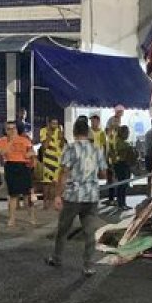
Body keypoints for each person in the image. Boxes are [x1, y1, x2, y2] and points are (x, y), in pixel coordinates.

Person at [46, 117, 107, 276]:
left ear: (74, 132)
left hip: (73, 196)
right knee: (89, 232)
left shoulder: (70, 149)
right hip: (91, 196)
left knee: (63, 229)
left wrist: (58, 195)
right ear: (87, 132)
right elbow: (103, 173)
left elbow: (63, 173)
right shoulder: (97, 149)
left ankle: (57, 257)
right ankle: (89, 265)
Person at [0, 121, 36, 228]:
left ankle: (32, 217)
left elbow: (32, 152)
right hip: (10, 166)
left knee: (27, 194)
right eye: (9, 129)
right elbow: (2, 152)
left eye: (13, 128)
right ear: (5, 130)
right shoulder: (2, 141)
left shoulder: (25, 140)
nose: (12, 130)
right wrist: (11, 141)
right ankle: (12, 218)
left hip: (23, 166)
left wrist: (29, 154)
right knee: (13, 195)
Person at [38, 118, 65, 210]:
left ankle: (55, 203)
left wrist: (62, 137)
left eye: (56, 123)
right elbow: (44, 147)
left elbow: (62, 146)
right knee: (46, 183)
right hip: (48, 160)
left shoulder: (59, 131)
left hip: (58, 159)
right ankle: (45, 203)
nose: (55, 125)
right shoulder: (43, 131)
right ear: (49, 124)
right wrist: (49, 135)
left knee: (56, 183)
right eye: (53, 123)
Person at [110, 126, 135, 211]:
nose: (128, 134)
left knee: (123, 185)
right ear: (122, 133)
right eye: (126, 132)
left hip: (121, 165)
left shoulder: (119, 141)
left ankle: (122, 203)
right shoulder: (121, 143)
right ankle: (121, 204)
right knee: (122, 185)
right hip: (121, 165)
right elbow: (123, 154)